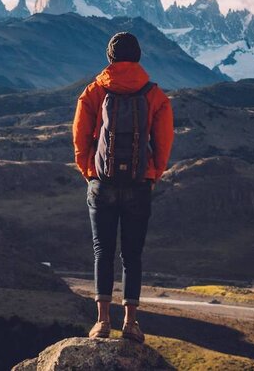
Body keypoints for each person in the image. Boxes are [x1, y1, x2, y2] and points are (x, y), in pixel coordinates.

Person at [72, 32, 174, 343]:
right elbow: (164, 141)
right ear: (138, 57)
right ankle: (131, 323)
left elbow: (80, 138)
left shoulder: (94, 91)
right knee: (132, 255)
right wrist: (151, 173)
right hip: (138, 184)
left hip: (101, 184)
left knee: (103, 252)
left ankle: (102, 322)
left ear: (110, 58)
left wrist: (91, 171)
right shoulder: (154, 95)